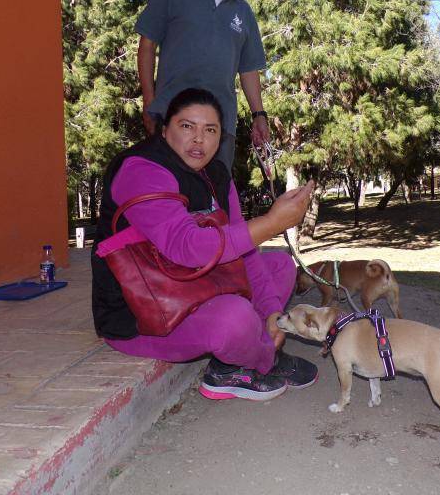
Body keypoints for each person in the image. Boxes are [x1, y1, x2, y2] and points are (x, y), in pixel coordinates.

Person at [91, 88, 316, 401]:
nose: (199, 140)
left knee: (278, 265)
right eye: (187, 127)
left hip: (192, 287)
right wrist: (272, 222)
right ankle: (258, 362)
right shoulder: (141, 169)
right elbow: (187, 246)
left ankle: (238, 356)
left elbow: (246, 254)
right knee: (234, 318)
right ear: (164, 128)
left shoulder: (216, 174)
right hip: (144, 314)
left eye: (210, 130)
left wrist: (273, 316)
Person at [135, 0, 269, 172]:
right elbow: (146, 45)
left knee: (215, 200)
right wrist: (149, 101)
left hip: (220, 127)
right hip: (171, 118)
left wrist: (259, 115)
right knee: (171, 193)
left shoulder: (244, 11)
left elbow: (249, 70)